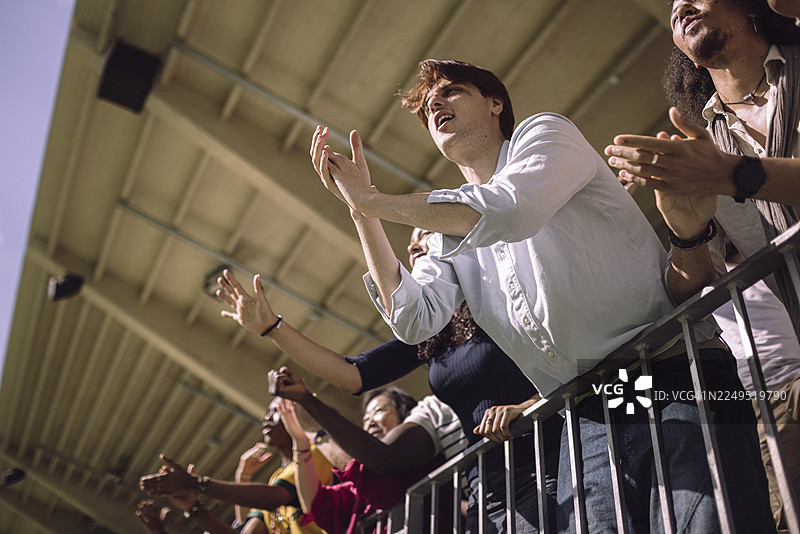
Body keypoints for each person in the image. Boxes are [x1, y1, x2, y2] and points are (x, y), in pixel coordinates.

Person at [309, 58, 774, 533]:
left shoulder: (544, 135)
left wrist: (375, 201)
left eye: (450, 91)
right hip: (585, 408)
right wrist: (361, 212)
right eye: (428, 107)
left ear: (495, 103)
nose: (435, 105)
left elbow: (511, 211)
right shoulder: (447, 228)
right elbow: (412, 320)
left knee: (709, 525)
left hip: (667, 367)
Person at [217, 231, 563, 534]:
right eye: (410, 243)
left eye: (426, 234)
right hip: (488, 490)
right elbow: (354, 374)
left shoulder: (504, 296)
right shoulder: (432, 334)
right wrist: (272, 329)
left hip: (550, 462)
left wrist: (529, 405)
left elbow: (569, 360)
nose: (413, 247)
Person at [604, 0, 800, 319]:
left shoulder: (710, 166)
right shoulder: (705, 155)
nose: (680, 9)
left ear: (750, 6)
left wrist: (732, 175)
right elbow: (688, 294)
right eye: (673, 14)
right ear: (689, 58)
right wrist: (688, 234)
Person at [270, 377, 439, 534]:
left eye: (379, 411)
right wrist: (301, 440)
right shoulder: (356, 491)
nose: (370, 421)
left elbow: (369, 476)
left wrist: (315, 431)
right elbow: (316, 504)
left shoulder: (418, 457)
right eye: (365, 418)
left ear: (405, 415)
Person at [139, 398, 334, 534]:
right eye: (267, 412)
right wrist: (194, 508)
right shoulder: (275, 480)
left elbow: (275, 497)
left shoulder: (317, 453)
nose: (267, 417)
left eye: (277, 411)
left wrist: (195, 483)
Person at [712, 241, 800, 532]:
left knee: (787, 505)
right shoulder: (703, 283)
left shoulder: (766, 261)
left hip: (784, 382)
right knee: (787, 508)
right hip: (765, 396)